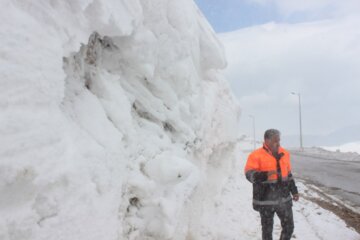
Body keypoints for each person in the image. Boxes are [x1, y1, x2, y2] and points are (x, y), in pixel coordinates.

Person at [245, 129, 299, 240]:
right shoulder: (255, 155)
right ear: (267, 140)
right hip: (265, 202)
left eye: (279, 140)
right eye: (275, 141)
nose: (278, 143)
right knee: (267, 231)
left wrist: (294, 191)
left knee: (289, 227)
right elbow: (249, 174)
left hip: (283, 200)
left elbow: (288, 175)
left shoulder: (285, 154)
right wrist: (265, 175)